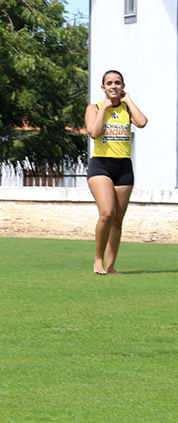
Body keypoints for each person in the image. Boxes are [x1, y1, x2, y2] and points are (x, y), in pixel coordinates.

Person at [84, 70, 148, 275]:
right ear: (103, 87)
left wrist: (128, 100)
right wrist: (104, 107)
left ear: (122, 86)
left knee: (118, 219)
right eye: (109, 83)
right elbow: (93, 133)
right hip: (101, 166)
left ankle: (110, 266)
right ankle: (98, 260)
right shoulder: (93, 108)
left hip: (123, 167)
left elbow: (142, 122)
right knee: (107, 213)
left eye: (117, 83)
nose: (113, 86)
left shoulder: (127, 109)